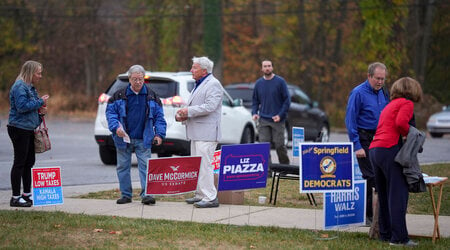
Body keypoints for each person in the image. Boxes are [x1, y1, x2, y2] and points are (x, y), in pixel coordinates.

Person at [369, 77, 422, 246]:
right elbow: (400, 123)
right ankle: (399, 238)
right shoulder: (406, 103)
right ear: (411, 90)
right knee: (398, 194)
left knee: (383, 194)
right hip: (390, 149)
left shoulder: (389, 105)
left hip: (375, 150)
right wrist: (411, 134)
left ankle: (385, 234)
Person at [106, 65, 166, 205]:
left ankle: (147, 195)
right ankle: (126, 195)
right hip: (123, 138)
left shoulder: (152, 96)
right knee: (122, 166)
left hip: (144, 138)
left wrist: (159, 135)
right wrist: (116, 128)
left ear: (143, 79)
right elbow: (110, 114)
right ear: (129, 79)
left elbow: (159, 118)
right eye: (134, 79)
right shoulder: (118, 95)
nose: (138, 82)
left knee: (146, 166)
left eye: (140, 79)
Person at [345, 62, 389, 225]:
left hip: (380, 138)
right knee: (371, 177)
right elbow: (350, 120)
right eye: (377, 78)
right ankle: (369, 216)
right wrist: (357, 145)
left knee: (381, 176)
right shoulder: (357, 93)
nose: (380, 82)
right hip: (364, 138)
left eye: (383, 79)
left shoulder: (383, 92)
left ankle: (379, 215)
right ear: (369, 76)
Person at [176, 56, 222, 208]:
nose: (191, 70)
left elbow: (209, 106)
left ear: (204, 70)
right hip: (197, 133)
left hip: (207, 134)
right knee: (197, 165)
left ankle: (210, 197)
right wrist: (183, 116)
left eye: (194, 68)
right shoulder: (200, 84)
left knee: (205, 166)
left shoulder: (213, 84)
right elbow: (197, 106)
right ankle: (200, 194)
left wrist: (187, 111)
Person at [7, 60, 49, 207]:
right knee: (19, 162)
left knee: (29, 162)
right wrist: (40, 102)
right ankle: (15, 197)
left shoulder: (31, 88)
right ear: (30, 73)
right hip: (18, 129)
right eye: (38, 73)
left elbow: (31, 110)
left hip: (28, 128)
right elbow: (22, 107)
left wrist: (41, 113)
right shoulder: (19, 87)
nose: (40, 76)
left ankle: (26, 194)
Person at [251, 59, 290, 165]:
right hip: (263, 120)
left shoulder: (280, 82)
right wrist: (254, 113)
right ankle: (268, 171)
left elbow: (287, 100)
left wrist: (280, 115)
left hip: (277, 120)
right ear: (262, 68)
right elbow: (255, 100)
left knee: (279, 145)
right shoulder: (259, 83)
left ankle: (285, 167)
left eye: (269, 66)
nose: (267, 68)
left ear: (272, 68)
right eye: (265, 66)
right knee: (264, 146)